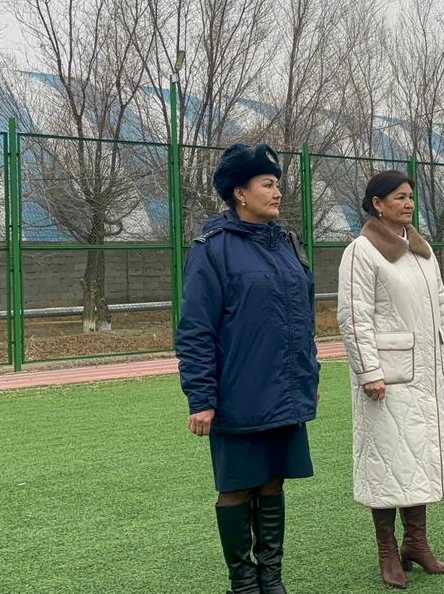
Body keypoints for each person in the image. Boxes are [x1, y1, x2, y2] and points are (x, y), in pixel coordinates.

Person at [176, 143, 320, 594]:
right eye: (268, 184)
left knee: (274, 482)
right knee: (238, 487)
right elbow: (196, 329)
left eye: (278, 183)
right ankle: (243, 583)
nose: (278, 192)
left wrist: (307, 375)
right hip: (239, 393)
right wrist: (202, 398)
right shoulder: (212, 250)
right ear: (240, 192)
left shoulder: (288, 243)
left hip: (287, 391)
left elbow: (304, 316)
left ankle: (270, 579)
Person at [338, 170, 444, 590]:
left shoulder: (422, 251)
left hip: (425, 377)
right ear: (377, 204)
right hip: (387, 380)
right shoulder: (362, 251)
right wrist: (370, 372)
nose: (408, 203)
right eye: (399, 197)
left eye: (411, 197)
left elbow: (442, 304)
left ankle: (417, 544)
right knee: (386, 460)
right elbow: (353, 318)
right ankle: (388, 552)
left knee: (417, 457)